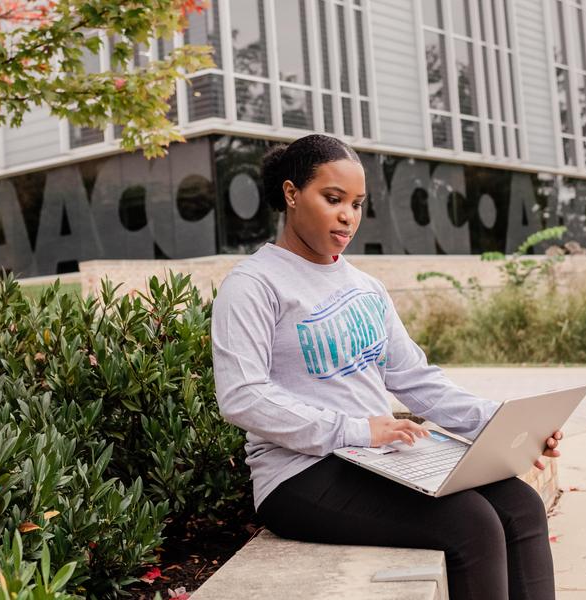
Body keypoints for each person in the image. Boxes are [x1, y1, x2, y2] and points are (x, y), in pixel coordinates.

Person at [211, 134, 563, 599]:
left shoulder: (366, 287)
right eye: (333, 199)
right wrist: (358, 430)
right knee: (471, 524)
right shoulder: (254, 284)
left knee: (520, 504)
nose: (348, 216)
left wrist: (500, 424)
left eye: (357, 204)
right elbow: (242, 396)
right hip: (299, 473)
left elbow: (415, 379)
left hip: (375, 458)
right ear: (292, 194)